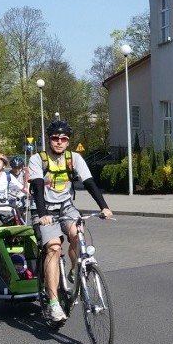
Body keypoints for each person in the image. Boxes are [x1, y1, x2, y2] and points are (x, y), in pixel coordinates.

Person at [29, 120, 113, 322]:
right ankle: (54, 303)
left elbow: (89, 182)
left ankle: (75, 271)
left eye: (63, 139)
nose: (59, 142)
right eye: (55, 138)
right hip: (44, 209)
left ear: (68, 141)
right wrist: (42, 214)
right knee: (54, 247)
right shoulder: (37, 159)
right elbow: (38, 187)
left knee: (78, 235)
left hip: (66, 207)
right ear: (49, 140)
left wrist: (104, 206)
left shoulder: (74, 158)